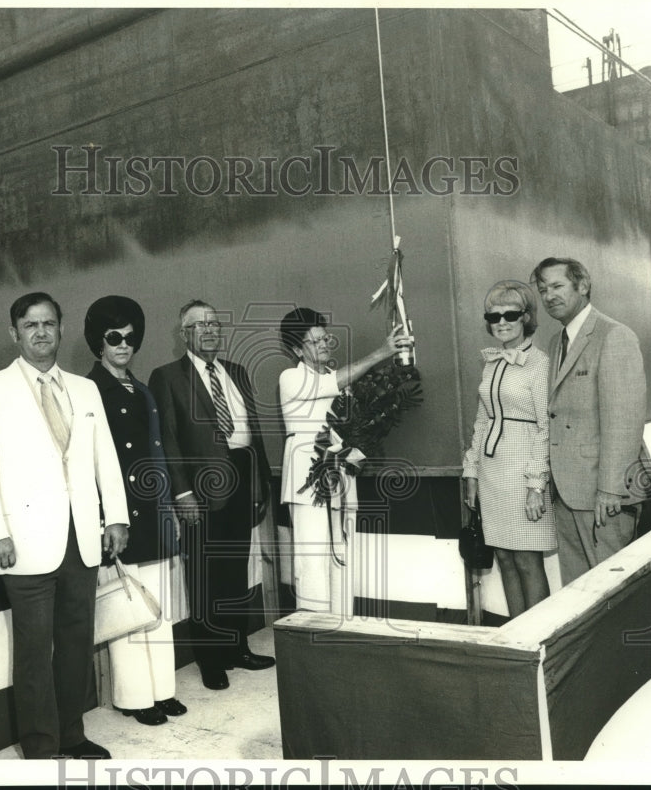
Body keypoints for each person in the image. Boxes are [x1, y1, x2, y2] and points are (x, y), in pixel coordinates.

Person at [0, 292, 129, 760]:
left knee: (76, 646)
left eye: (49, 323)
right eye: (30, 325)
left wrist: (115, 515)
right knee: (35, 653)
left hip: (82, 543)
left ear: (61, 329)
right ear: (14, 333)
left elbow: (104, 458)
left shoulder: (85, 389)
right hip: (23, 545)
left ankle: (72, 734)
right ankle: (39, 747)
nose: (41, 332)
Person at [148, 300, 274, 691]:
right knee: (205, 574)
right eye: (199, 325)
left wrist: (260, 484)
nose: (209, 330)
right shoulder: (167, 377)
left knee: (235, 569)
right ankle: (210, 659)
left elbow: (250, 432)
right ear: (184, 334)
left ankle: (237, 647)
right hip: (200, 490)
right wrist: (182, 492)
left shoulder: (235, 372)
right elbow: (168, 438)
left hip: (242, 476)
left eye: (215, 323)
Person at [83, 295, 186, 727]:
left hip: (154, 509)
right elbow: (92, 461)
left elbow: (158, 455)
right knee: (129, 606)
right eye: (113, 337)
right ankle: (133, 695)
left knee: (157, 605)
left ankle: (161, 690)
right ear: (97, 343)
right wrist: (108, 520)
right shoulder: (91, 390)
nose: (123, 344)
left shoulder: (140, 388)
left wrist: (171, 511)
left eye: (130, 337)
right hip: (122, 516)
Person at [277, 308, 412, 615]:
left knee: (342, 554)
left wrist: (358, 451)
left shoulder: (338, 380)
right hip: (306, 480)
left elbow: (353, 427)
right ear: (297, 349)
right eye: (314, 341)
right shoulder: (290, 377)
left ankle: (341, 628)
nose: (324, 344)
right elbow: (333, 385)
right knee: (313, 559)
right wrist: (383, 352)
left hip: (341, 475)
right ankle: (315, 633)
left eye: (325, 338)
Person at [530, 257, 651, 586]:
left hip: (603, 496)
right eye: (543, 290)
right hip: (568, 494)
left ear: (582, 286)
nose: (549, 296)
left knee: (609, 591)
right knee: (578, 592)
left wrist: (610, 490)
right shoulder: (557, 343)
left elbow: (624, 421)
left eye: (557, 286)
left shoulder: (614, 335)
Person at [461, 281, 555, 617]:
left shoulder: (541, 364)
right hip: (492, 475)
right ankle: (519, 637)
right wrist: (471, 472)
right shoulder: (491, 363)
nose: (501, 321)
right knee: (503, 557)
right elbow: (482, 421)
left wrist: (536, 484)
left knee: (528, 559)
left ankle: (541, 639)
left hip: (523, 474)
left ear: (526, 317)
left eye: (510, 314)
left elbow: (546, 426)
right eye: (494, 315)